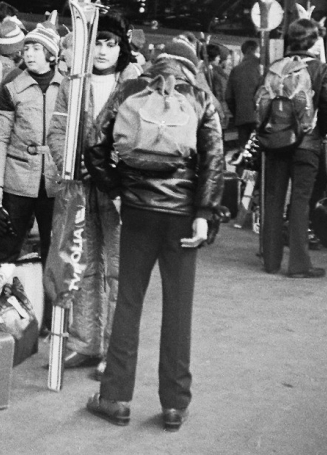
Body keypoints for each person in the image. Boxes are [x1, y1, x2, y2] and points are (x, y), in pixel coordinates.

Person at [84, 39, 224, 432]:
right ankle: (174, 406)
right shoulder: (200, 97)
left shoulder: (129, 90)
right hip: (181, 217)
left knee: (128, 302)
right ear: (190, 66)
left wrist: (116, 190)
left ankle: (114, 399)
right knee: (178, 309)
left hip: (138, 212)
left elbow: (95, 144)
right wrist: (203, 213)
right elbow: (214, 158)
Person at [46, 10, 141, 370]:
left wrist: (117, 167)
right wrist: (68, 164)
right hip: (82, 187)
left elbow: (142, 137)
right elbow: (56, 131)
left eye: (110, 43)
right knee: (82, 264)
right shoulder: (73, 84)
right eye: (97, 43)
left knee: (118, 268)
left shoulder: (136, 86)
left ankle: (116, 350)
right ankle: (85, 343)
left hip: (119, 189)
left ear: (122, 46)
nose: (102, 50)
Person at [260, 18, 327, 278]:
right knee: (300, 202)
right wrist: (320, 133)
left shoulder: (275, 67)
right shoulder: (321, 69)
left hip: (276, 141)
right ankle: (298, 264)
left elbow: (262, 103)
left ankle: (270, 261)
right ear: (314, 41)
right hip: (307, 142)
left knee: (273, 199)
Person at [0, 22, 63, 264]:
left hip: (56, 181)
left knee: (57, 251)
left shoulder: (68, 88)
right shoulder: (12, 89)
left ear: (51, 55)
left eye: (37, 49)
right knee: (6, 247)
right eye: (27, 48)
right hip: (17, 182)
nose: (29, 53)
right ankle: (2, 297)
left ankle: (52, 302)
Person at [225, 39, 262, 148]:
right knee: (259, 153)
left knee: (244, 152)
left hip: (242, 119)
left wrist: (238, 112)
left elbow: (228, 97)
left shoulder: (235, 70)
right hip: (260, 118)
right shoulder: (261, 67)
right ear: (253, 50)